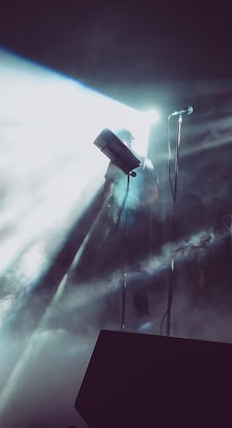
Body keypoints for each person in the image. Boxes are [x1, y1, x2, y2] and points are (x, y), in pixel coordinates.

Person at [95, 128, 160, 325]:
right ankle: (108, 313)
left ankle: (142, 313)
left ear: (132, 142)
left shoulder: (144, 162)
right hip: (116, 220)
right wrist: (101, 217)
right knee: (110, 267)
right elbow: (107, 191)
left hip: (138, 224)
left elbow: (155, 192)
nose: (123, 144)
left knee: (137, 266)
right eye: (120, 140)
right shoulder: (113, 163)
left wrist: (141, 203)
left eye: (126, 140)